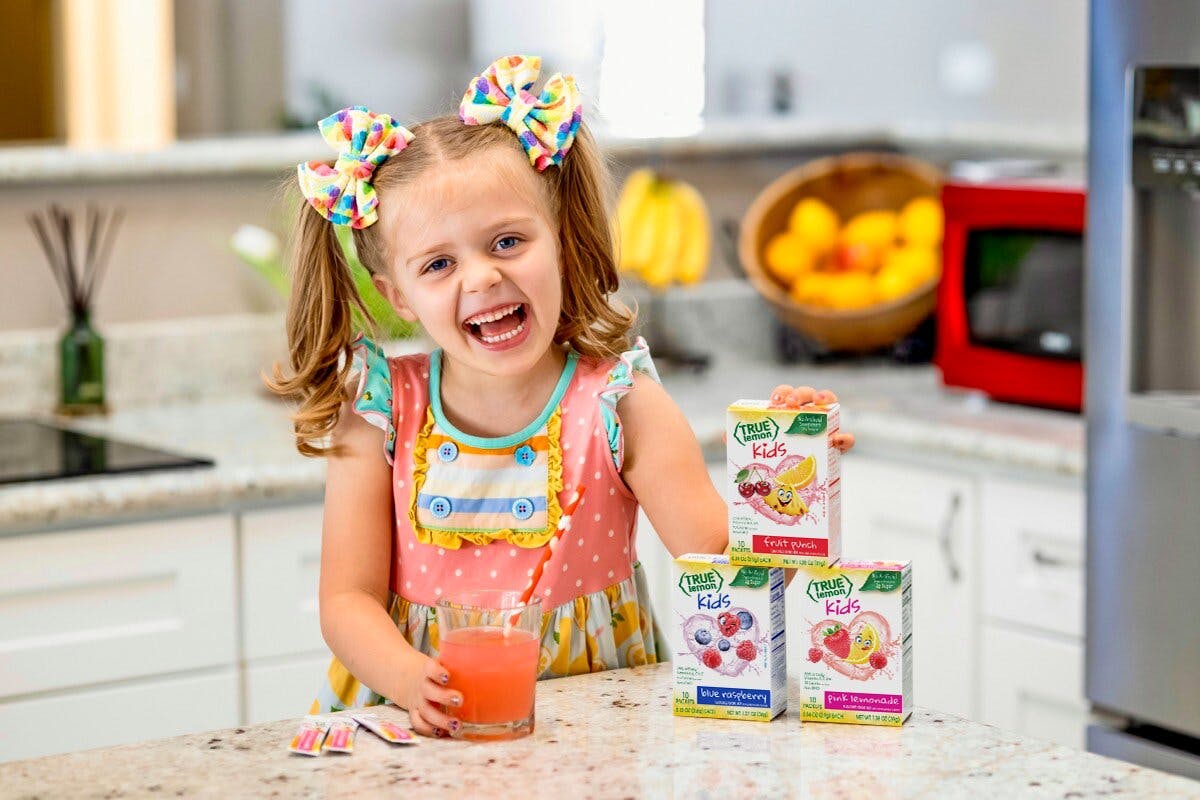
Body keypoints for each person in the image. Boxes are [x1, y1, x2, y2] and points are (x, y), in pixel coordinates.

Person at [269, 55, 854, 738]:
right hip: (423, 727)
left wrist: (790, 486)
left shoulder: (622, 403)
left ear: (560, 241)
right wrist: (405, 677)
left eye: (508, 241)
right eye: (438, 264)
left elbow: (729, 573)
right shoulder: (379, 415)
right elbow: (346, 599)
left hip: (593, 733)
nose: (483, 276)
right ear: (398, 295)